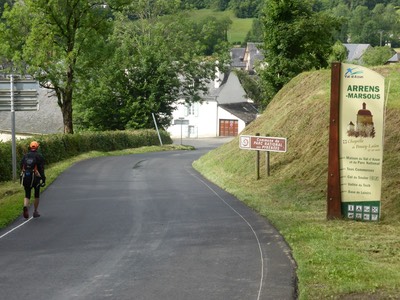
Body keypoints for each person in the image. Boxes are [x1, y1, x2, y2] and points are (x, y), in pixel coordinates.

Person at [20, 141, 46, 219]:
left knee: (27, 194)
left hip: (26, 177)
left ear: (30, 147)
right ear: (37, 147)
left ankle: (25, 206)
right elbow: (41, 169)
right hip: (35, 178)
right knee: (36, 194)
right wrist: (43, 179)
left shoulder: (25, 156)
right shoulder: (39, 156)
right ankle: (35, 211)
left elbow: (21, 166)